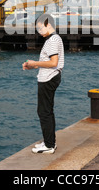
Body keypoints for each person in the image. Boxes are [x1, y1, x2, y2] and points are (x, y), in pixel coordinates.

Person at [22, 13, 64, 154]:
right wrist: (32, 66)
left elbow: (53, 62)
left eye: (40, 28)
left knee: (44, 112)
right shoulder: (54, 38)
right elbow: (49, 63)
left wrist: (34, 63)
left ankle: (49, 145)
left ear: (48, 25)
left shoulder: (52, 40)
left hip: (48, 79)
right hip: (51, 76)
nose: (39, 32)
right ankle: (49, 142)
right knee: (47, 111)